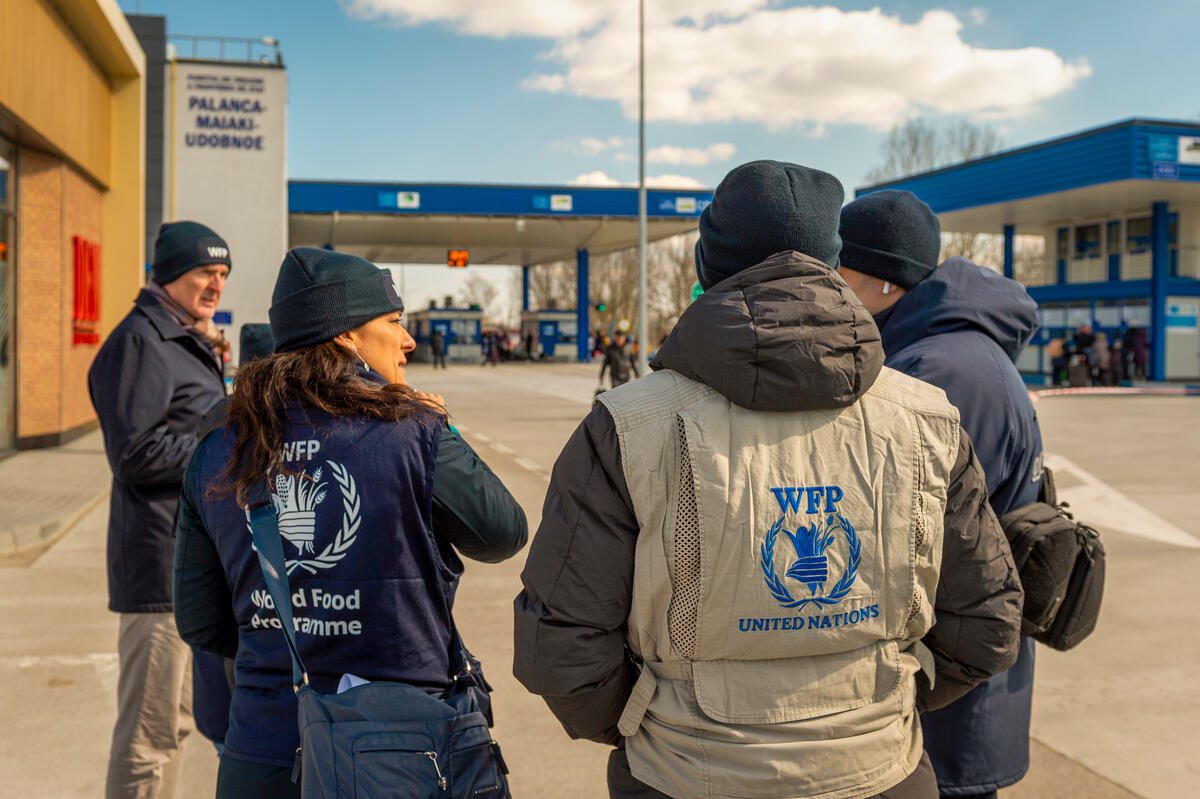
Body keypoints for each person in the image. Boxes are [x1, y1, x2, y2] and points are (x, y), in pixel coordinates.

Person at [514, 161, 1023, 799]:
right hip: (882, 771)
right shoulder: (926, 420)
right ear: (830, 265)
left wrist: (653, 722)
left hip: (682, 774)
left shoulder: (627, 426)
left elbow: (561, 645)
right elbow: (986, 618)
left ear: (708, 266)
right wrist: (881, 702)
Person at [173, 248, 527, 798]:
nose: (408, 341)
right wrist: (443, 429)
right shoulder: (413, 431)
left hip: (262, 748)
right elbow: (503, 533)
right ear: (346, 336)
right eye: (392, 322)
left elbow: (200, 621)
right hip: (400, 749)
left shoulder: (218, 449)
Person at [838, 189, 1045, 799]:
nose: (830, 283)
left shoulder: (941, 370)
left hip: (952, 692)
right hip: (957, 677)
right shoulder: (940, 350)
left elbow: (913, 537)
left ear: (882, 280)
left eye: (839, 269)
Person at [88, 220, 232, 799]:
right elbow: (135, 453)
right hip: (157, 568)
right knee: (148, 738)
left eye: (223, 274)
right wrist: (225, 443)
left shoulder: (181, 337)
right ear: (169, 273)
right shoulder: (140, 341)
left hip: (187, 566)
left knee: (174, 726)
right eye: (205, 271)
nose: (216, 284)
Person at [597, 324, 638, 390]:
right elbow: (605, 363)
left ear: (624, 338)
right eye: (618, 337)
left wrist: (637, 373)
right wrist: (601, 375)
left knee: (625, 394)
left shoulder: (629, 348)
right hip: (615, 377)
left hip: (626, 376)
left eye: (621, 337)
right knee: (616, 395)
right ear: (615, 338)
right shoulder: (610, 348)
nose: (620, 339)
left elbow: (633, 362)